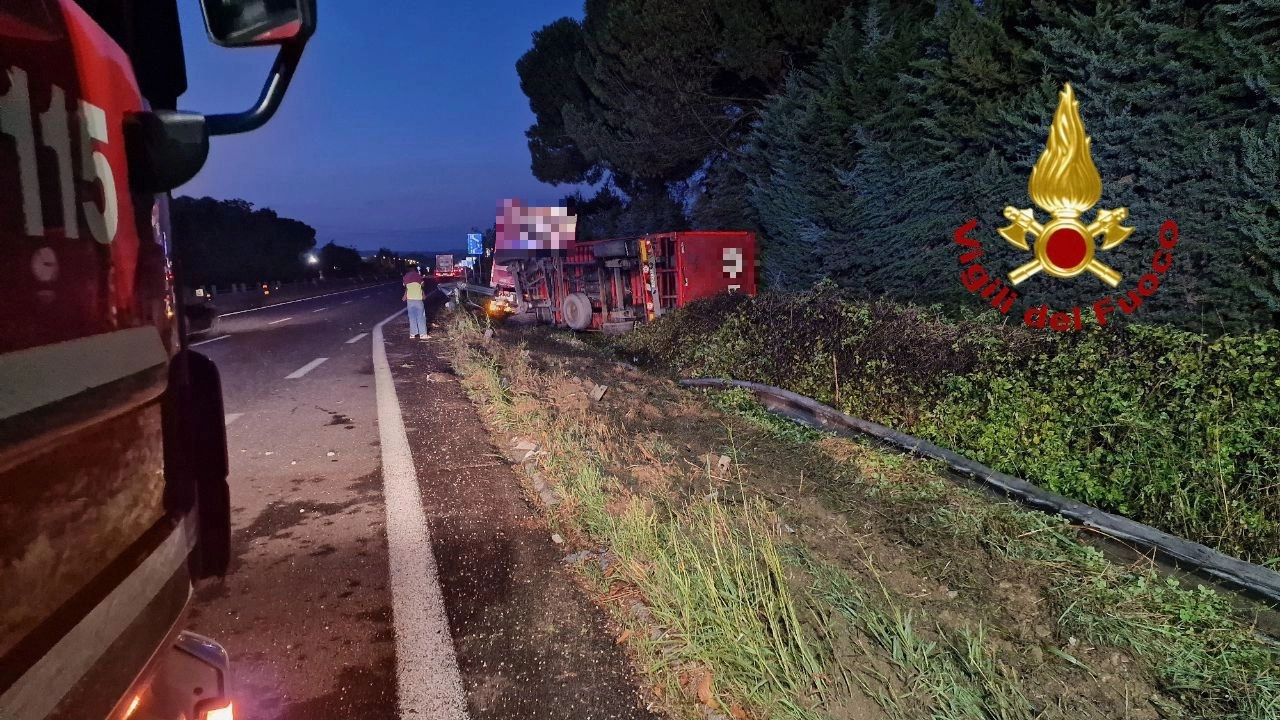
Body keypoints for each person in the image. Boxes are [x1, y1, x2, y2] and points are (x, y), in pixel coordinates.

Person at [402, 268, 429, 339]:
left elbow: (405, 287)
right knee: (421, 317)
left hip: (410, 301)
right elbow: (423, 285)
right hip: (418, 300)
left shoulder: (405, 277)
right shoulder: (418, 276)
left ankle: (412, 334)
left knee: (412, 317)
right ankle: (423, 334)